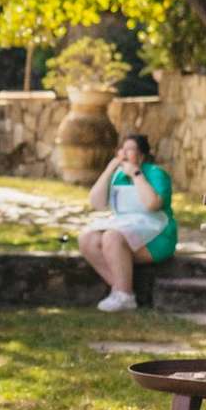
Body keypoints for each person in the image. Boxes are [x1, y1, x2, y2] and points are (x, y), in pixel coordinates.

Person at [80, 134, 177, 312]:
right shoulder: (118, 176)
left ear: (141, 155)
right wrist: (109, 169)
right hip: (125, 227)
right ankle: (121, 289)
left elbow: (152, 204)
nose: (124, 153)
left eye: (130, 149)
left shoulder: (156, 174)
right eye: (122, 149)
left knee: (111, 237)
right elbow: (97, 203)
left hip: (157, 234)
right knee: (88, 240)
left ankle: (124, 295)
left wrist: (136, 174)